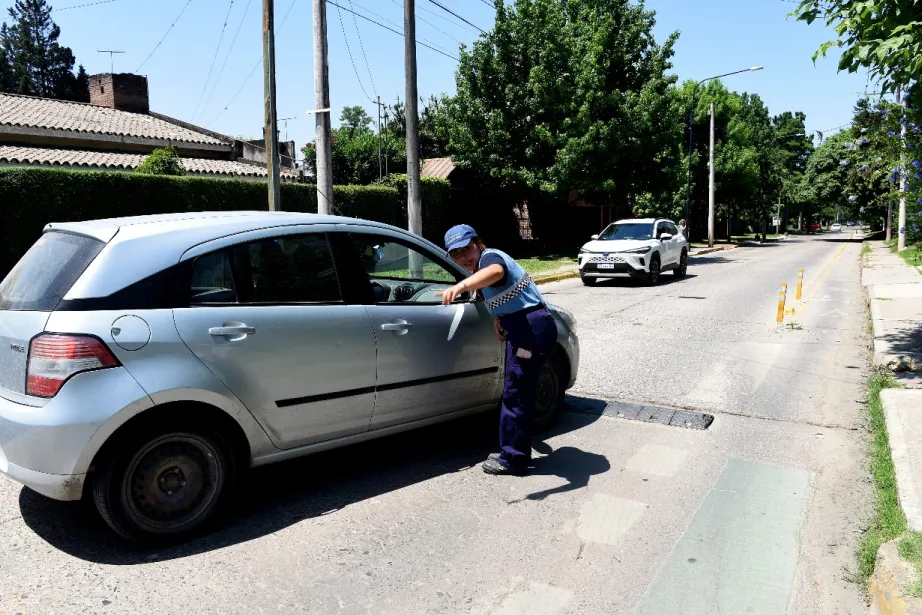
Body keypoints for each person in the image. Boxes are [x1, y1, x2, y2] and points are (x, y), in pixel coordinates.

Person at [436, 224, 558, 476]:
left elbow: (496, 272)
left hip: (530, 330)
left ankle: (513, 459)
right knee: (517, 391)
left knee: (516, 394)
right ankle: (512, 449)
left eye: (467, 250)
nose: (463, 257)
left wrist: (460, 286)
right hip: (524, 327)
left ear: (478, 244)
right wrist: (499, 317)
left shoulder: (490, 257)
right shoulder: (479, 270)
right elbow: (505, 293)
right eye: (456, 254)